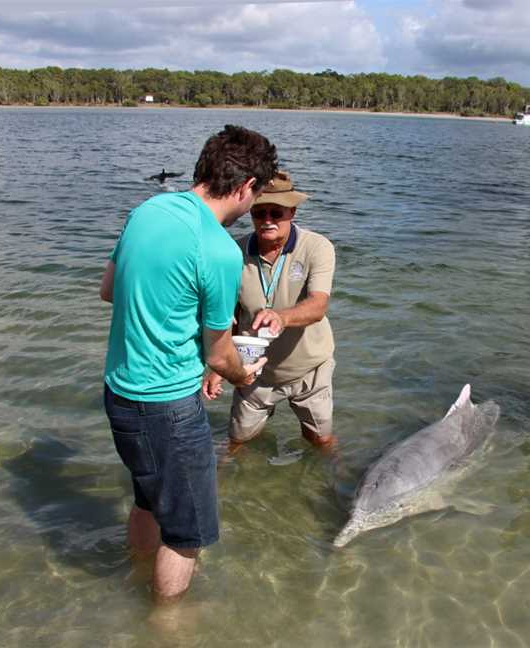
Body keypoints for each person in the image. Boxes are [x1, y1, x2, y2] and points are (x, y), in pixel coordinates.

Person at [99, 125, 278, 601]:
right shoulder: (218, 248)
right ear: (245, 188)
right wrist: (245, 375)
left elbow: (107, 290)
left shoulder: (146, 211)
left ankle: (136, 580)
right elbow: (219, 353)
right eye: (256, 194)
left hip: (119, 393)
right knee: (187, 534)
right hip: (169, 410)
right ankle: (166, 626)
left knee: (146, 500)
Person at [202, 171, 336, 449]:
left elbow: (318, 305)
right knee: (237, 442)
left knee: (320, 441)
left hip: (310, 370)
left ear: (292, 211)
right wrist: (219, 367)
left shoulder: (317, 247)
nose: (267, 220)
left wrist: (282, 316)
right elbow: (229, 316)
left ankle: (335, 482)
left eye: (276, 213)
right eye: (258, 213)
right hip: (253, 371)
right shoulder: (233, 252)